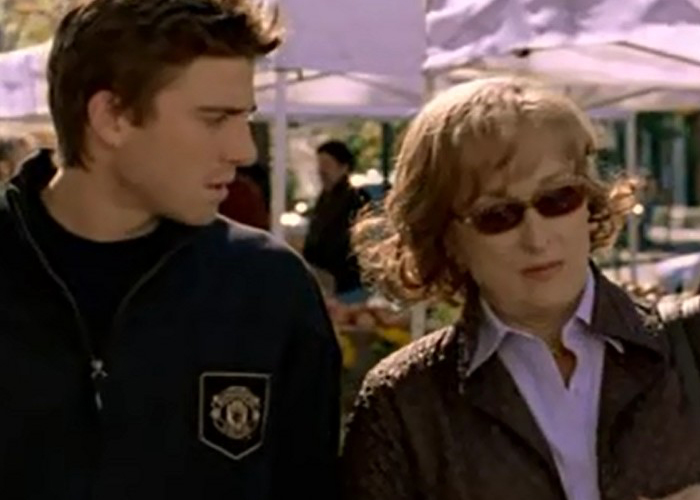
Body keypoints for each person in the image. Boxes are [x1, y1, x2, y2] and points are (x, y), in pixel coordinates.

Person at [0, 1, 340, 499]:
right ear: (112, 117)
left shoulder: (270, 290)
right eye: (215, 119)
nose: (244, 150)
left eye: (244, 117)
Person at [342, 77, 700, 500]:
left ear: (588, 203)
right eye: (497, 215)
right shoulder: (404, 404)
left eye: (558, 199)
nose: (537, 237)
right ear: (448, 240)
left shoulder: (689, 343)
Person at [303, 139, 370, 303]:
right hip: (326, 280)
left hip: (348, 283)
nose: (321, 170)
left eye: (327, 164)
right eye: (320, 164)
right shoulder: (325, 198)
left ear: (344, 167)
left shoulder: (355, 199)